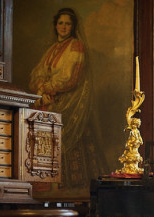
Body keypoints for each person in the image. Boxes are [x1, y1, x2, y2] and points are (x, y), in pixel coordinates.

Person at [29, 8, 107, 196]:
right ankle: (45, 185)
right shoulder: (52, 49)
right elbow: (37, 74)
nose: (63, 27)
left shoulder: (76, 46)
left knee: (67, 137)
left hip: (69, 101)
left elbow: (71, 78)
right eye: (60, 23)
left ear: (73, 27)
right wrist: (41, 90)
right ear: (56, 25)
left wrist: (48, 89)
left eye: (68, 23)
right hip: (48, 100)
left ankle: (70, 187)